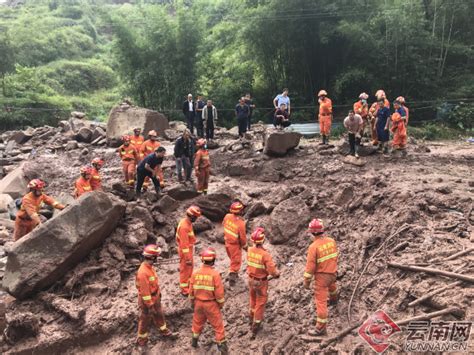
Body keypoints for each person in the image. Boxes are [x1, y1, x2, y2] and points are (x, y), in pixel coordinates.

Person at [303, 219, 338, 336]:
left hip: (322, 278)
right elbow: (335, 257)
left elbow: (310, 268)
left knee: (321, 302)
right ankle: (334, 299)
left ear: (311, 232)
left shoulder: (313, 247)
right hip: (333, 273)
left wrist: (306, 282)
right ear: (322, 230)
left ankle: (320, 328)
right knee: (332, 287)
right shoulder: (331, 241)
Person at [136, 244, 175, 346]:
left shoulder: (150, 267)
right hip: (147, 302)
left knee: (159, 314)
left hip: (155, 297)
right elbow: (145, 293)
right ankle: (142, 340)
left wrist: (158, 295)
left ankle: (164, 331)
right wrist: (150, 305)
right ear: (153, 257)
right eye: (157, 256)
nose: (158, 258)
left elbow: (154, 284)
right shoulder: (143, 272)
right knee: (145, 320)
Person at [190, 248, 227, 354]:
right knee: (218, 327)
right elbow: (219, 294)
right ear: (213, 260)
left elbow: (191, 291)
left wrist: (192, 303)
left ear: (202, 260)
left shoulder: (195, 273)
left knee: (197, 323)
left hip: (198, 303)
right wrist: (220, 304)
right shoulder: (215, 275)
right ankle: (223, 351)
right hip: (211, 304)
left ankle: (194, 343)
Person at [247, 227, 280, 338]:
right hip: (261, 282)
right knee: (260, 302)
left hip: (251, 279)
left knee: (252, 299)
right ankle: (256, 324)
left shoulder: (250, 250)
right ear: (263, 240)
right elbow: (272, 271)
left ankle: (251, 316)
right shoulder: (265, 254)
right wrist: (276, 274)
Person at [176, 205, 202, 296]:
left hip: (189, 249)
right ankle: (184, 289)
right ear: (192, 216)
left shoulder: (187, 223)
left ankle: (189, 283)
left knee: (189, 268)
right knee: (185, 269)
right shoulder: (184, 227)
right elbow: (184, 245)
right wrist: (187, 258)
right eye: (195, 217)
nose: (196, 219)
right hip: (185, 251)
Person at [222, 201, 247, 285]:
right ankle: (232, 278)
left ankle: (233, 273)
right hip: (235, 245)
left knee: (232, 259)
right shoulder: (241, 223)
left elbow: (223, 224)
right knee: (236, 262)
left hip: (226, 243)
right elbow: (243, 238)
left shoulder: (227, 216)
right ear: (240, 211)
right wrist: (245, 246)